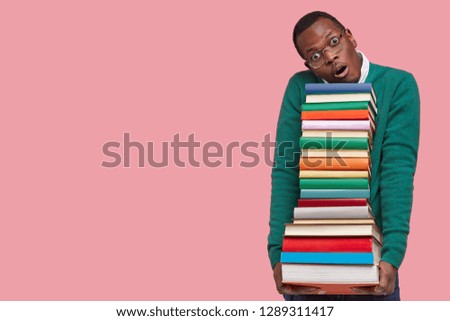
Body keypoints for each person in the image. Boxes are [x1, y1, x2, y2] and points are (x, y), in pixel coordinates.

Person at [267, 11, 420, 301]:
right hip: (305, 263)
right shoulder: (299, 88)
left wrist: (393, 255)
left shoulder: (398, 84)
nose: (330, 57)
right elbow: (286, 169)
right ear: (309, 65)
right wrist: (277, 254)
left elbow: (398, 171)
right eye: (315, 56)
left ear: (350, 35)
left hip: (371, 263)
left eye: (334, 42)